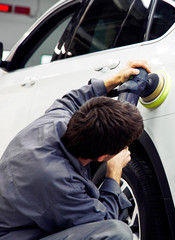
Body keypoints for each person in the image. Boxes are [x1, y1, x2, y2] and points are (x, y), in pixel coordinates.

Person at [0, 60, 151, 240]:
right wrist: (113, 173)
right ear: (103, 157)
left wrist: (115, 79)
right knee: (117, 234)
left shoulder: (56, 121)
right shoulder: (60, 183)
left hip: (24, 218)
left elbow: (72, 100)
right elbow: (104, 221)